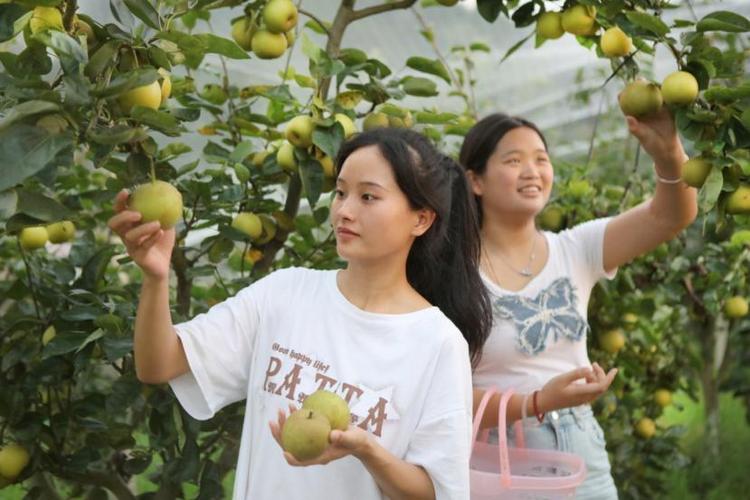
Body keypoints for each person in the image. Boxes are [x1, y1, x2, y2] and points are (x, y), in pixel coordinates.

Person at [107, 127, 492, 500]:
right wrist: (156, 278)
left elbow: (434, 491)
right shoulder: (286, 293)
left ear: (420, 219)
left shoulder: (436, 342)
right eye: (340, 192)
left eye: (368, 197)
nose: (344, 210)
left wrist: (367, 450)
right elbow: (159, 365)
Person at [459, 108, 697, 498]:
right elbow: (440, 393)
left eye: (541, 159)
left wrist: (668, 151)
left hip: (580, 443)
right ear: (475, 180)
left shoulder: (576, 249)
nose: (532, 171)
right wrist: (536, 401)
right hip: (498, 454)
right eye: (513, 160)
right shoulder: (452, 273)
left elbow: (670, 215)